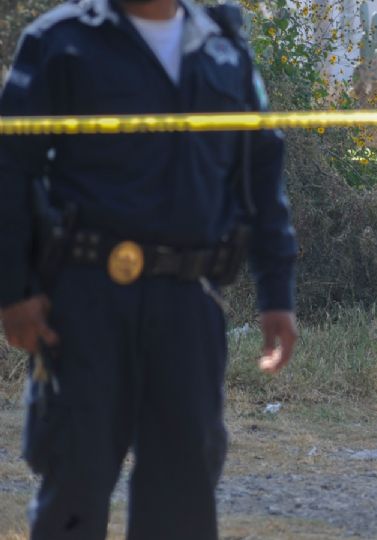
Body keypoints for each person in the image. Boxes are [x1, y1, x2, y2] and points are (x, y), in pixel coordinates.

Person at [0, 0, 298, 538]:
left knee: (183, 495)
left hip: (188, 307)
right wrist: (13, 290)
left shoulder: (224, 49)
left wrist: (277, 293)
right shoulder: (60, 41)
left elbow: (261, 175)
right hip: (84, 304)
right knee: (73, 485)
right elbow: (9, 175)